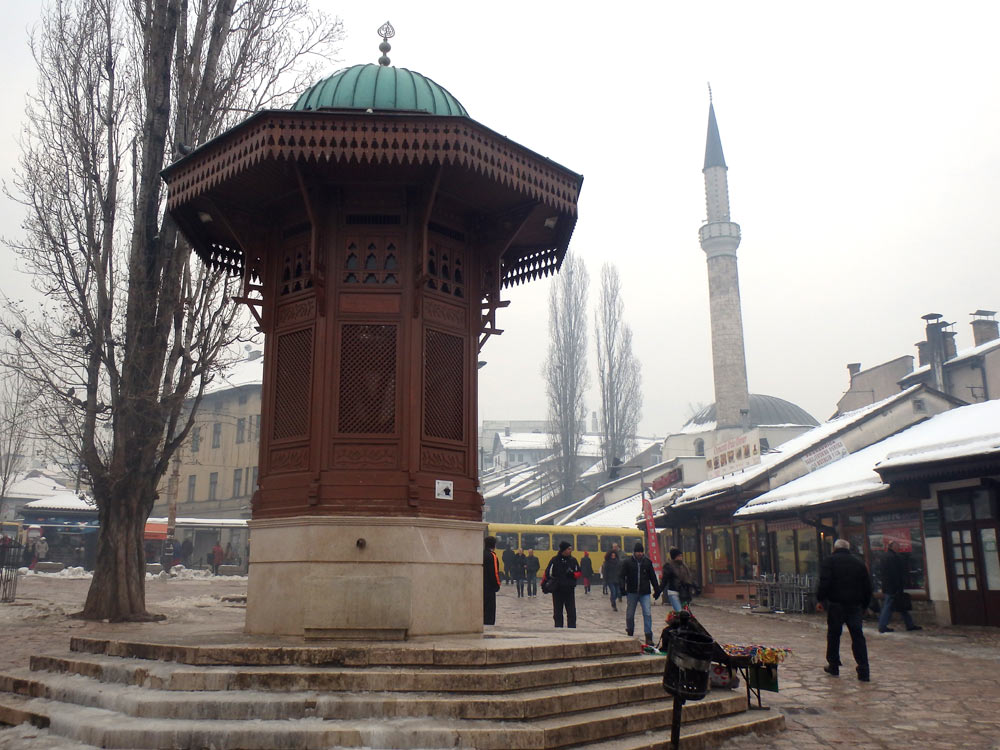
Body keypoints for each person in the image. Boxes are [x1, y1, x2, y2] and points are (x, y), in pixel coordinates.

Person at [816, 538, 872, 681]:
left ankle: (833, 665)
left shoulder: (829, 561)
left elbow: (825, 582)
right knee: (857, 636)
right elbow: (867, 587)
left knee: (834, 635)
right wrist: (865, 605)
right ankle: (863, 669)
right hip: (854, 605)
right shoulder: (859, 563)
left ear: (834, 548)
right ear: (848, 548)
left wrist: (820, 599)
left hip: (836, 604)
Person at [620, 542, 662, 645]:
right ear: (634, 552)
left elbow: (652, 577)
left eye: (641, 551)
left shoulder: (647, 562)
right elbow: (621, 576)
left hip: (644, 592)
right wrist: (622, 588)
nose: (640, 553)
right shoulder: (627, 562)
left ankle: (648, 636)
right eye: (638, 551)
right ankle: (630, 631)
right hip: (632, 592)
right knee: (630, 614)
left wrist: (657, 590)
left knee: (647, 613)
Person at [878, 541, 922, 633]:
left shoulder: (885, 556)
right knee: (889, 605)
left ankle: (909, 624)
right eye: (897, 546)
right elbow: (895, 573)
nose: (899, 548)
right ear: (892, 547)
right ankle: (882, 625)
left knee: (901, 605)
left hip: (888, 585)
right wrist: (899, 585)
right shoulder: (893, 557)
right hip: (893, 586)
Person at [544, 541, 580, 628]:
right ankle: (558, 628)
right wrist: (548, 584)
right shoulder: (554, 560)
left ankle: (572, 628)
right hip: (557, 590)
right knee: (557, 612)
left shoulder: (573, 560)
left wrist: (572, 574)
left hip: (569, 590)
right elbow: (547, 573)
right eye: (569, 549)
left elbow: (579, 573)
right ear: (563, 550)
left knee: (571, 612)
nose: (570, 550)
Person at [659, 547, 694, 612]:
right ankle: (675, 620)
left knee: (685, 613)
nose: (681, 557)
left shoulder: (684, 566)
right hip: (673, 592)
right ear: (674, 557)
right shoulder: (668, 566)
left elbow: (689, 578)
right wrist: (659, 591)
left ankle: (675, 620)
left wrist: (694, 586)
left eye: (681, 556)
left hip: (684, 593)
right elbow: (664, 580)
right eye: (679, 556)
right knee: (679, 611)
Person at [483, 536, 501, 625]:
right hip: (489, 588)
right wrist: (497, 585)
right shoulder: (492, 556)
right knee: (489, 613)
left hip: (480, 586)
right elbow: (495, 573)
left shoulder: (481, 554)